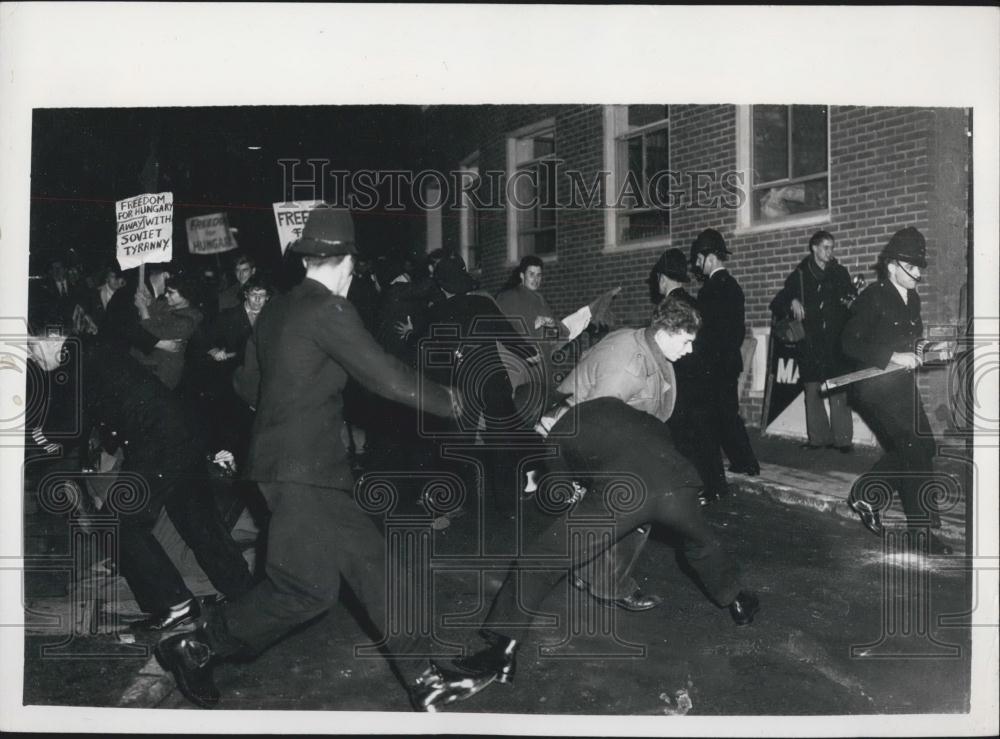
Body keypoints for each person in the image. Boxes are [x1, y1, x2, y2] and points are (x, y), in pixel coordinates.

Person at [154, 207, 492, 712]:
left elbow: (247, 385)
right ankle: (199, 643)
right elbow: (385, 376)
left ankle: (422, 677)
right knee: (319, 586)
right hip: (303, 472)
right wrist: (456, 402)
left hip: (289, 469)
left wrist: (297, 388)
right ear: (347, 261)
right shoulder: (329, 310)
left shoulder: (275, 311)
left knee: (347, 578)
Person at [438, 298, 759, 708]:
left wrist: (572, 496)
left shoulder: (566, 426)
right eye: (687, 340)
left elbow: (564, 487)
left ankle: (501, 650)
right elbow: (648, 433)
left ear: (545, 417)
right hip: (678, 480)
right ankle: (738, 601)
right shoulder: (623, 390)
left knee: (541, 559)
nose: (690, 349)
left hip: (626, 489)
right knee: (702, 543)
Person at [27, 325, 256, 633]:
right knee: (195, 518)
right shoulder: (89, 350)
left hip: (159, 444)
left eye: (32, 348)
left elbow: (70, 423)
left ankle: (176, 604)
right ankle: (245, 594)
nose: (32, 357)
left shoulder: (76, 358)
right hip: (181, 434)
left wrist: (35, 438)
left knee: (118, 521)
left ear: (52, 337)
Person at [841, 227, 953, 555]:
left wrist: (932, 348)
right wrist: (892, 356)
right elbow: (849, 342)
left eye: (920, 267)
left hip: (900, 384)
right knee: (912, 448)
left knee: (923, 445)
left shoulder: (912, 298)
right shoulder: (873, 296)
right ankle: (921, 531)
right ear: (892, 266)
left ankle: (867, 494)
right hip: (874, 386)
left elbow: (910, 343)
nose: (918, 273)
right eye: (912, 267)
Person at [651, 248, 729, 504]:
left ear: (663, 279)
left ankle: (695, 488)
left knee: (684, 439)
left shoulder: (668, 306)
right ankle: (716, 486)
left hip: (681, 381)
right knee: (705, 434)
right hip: (703, 379)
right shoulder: (694, 301)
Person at [771, 231, 858, 452]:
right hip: (810, 342)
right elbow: (778, 301)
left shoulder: (839, 272)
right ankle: (818, 439)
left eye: (832, 247)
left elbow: (851, 300)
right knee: (812, 391)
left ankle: (843, 440)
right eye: (826, 247)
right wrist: (791, 300)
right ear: (814, 248)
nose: (830, 252)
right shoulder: (800, 274)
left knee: (838, 389)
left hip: (835, 341)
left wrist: (851, 300)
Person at [690, 228, 760, 476]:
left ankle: (746, 463)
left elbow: (707, 333)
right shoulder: (731, 286)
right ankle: (743, 462)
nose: (698, 266)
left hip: (714, 364)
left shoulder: (711, 289)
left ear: (710, 258)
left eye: (699, 260)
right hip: (727, 361)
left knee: (723, 415)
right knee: (725, 414)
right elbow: (736, 332)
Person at [495, 255, 570, 424]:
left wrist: (550, 323)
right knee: (517, 412)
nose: (536, 279)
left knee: (538, 411)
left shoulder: (540, 300)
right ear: (522, 275)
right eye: (531, 274)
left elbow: (557, 331)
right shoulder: (509, 297)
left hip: (541, 364)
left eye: (539, 275)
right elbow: (506, 331)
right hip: (520, 365)